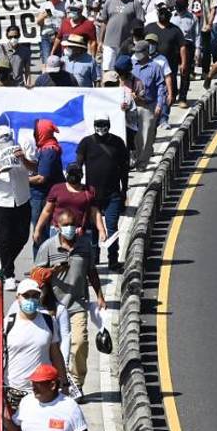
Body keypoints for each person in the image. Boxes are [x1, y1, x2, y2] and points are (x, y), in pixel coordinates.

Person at [34, 209, 106, 398]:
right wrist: (53, 271)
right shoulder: (48, 247)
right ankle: (53, 380)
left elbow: (92, 271)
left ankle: (76, 381)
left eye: (73, 224)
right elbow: (36, 276)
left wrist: (100, 295)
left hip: (77, 303)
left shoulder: (85, 245)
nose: (70, 228)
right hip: (52, 306)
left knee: (80, 342)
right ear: (57, 227)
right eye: (65, 225)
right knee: (52, 346)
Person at [4, 278, 66, 431]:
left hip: (42, 391)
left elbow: (55, 352)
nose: (31, 299)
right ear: (18, 298)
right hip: (14, 390)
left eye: (35, 295)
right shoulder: (8, 324)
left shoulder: (48, 321)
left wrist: (63, 382)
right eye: (27, 296)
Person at [0, 125, 37, 292]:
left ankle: (5, 260)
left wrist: (23, 159)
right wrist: (0, 168)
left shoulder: (24, 142)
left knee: (22, 236)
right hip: (0, 200)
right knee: (5, 238)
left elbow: (34, 168)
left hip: (21, 198)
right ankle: (8, 275)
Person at [75, 116, 130, 271]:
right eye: (98, 124)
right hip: (92, 196)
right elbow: (78, 164)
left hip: (113, 194)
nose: (101, 127)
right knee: (92, 229)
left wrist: (124, 191)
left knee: (112, 228)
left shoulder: (118, 143)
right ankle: (94, 258)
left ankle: (113, 260)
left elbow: (124, 170)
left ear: (109, 125)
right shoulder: (86, 143)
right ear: (94, 125)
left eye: (104, 124)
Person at [130, 41, 165, 171]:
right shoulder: (132, 66)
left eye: (139, 52)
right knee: (134, 135)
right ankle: (134, 157)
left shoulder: (155, 67)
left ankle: (142, 163)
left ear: (146, 52)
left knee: (146, 135)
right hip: (133, 105)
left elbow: (161, 87)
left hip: (148, 106)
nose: (136, 55)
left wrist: (159, 105)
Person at [29, 120, 64, 244]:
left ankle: (41, 261)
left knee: (40, 233)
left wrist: (22, 181)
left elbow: (41, 178)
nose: (34, 134)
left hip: (43, 196)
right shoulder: (47, 147)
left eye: (36, 131)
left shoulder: (49, 150)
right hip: (46, 194)